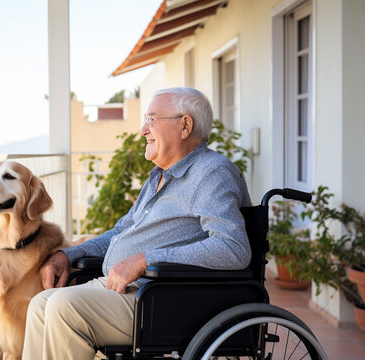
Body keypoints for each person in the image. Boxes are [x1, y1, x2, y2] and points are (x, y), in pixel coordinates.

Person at [22, 87, 252, 359]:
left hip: (162, 298)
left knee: (62, 306)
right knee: (40, 305)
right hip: (125, 290)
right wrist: (67, 254)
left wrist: (145, 259)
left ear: (185, 125)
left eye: (152, 119)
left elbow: (233, 248)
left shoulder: (211, 173)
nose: (143, 129)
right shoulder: (158, 177)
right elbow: (121, 232)